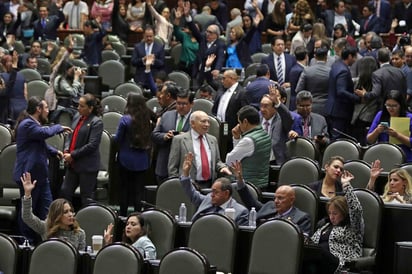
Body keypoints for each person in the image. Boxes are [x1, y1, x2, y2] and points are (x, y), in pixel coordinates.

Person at [13, 96, 72, 243]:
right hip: (29, 176)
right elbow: (44, 134)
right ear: (38, 109)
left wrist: (54, 152)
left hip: (40, 175)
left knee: (48, 210)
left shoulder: (33, 124)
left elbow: (40, 144)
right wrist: (59, 127)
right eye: (46, 108)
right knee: (28, 211)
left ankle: (49, 239)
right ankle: (26, 243)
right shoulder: (27, 124)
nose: (48, 111)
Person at [232, 161, 311, 235]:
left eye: (280, 198)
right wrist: (240, 180)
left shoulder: (301, 218)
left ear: (291, 200)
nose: (276, 201)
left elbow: (302, 240)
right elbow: (250, 202)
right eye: (275, 198)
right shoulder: (270, 206)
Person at [310, 171, 364, 273]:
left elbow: (356, 209)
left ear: (344, 212)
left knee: (318, 251)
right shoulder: (325, 226)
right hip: (319, 261)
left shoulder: (353, 226)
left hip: (340, 262)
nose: (331, 217)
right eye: (329, 213)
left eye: (335, 213)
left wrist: (346, 185)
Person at [20, 172, 86, 250]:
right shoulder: (45, 227)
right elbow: (27, 216)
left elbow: (81, 257)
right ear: (56, 215)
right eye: (66, 212)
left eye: (71, 211)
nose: (70, 214)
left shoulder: (79, 233)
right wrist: (27, 194)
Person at [114, 93, 156, 216]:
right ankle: (138, 216)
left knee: (124, 189)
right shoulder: (147, 119)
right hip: (142, 159)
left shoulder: (125, 119)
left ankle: (122, 215)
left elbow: (117, 139)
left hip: (125, 159)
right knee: (139, 190)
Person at [180, 152, 249, 225]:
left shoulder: (240, 212)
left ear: (226, 193)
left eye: (216, 192)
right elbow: (191, 193)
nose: (212, 195)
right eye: (212, 191)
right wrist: (186, 173)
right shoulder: (208, 199)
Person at [60, 93, 104, 206]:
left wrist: (72, 155)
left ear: (90, 108)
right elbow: (70, 135)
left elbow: (92, 145)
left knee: (86, 198)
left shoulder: (96, 122)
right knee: (65, 192)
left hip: (87, 166)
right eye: (78, 105)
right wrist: (66, 151)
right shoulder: (77, 117)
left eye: (82, 106)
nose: (78, 108)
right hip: (73, 164)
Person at [168, 110, 231, 188]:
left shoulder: (213, 140)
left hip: (210, 185)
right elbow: (172, 167)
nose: (207, 124)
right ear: (192, 123)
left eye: (208, 122)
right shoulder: (179, 140)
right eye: (203, 121)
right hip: (188, 186)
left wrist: (222, 167)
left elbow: (217, 161)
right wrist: (178, 185)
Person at [226, 105, 271, 189]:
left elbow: (230, 161)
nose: (238, 126)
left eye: (239, 122)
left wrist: (236, 140)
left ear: (245, 122)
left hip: (247, 185)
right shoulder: (265, 135)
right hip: (262, 184)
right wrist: (237, 138)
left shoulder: (248, 140)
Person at [151, 86, 190, 183]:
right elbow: (154, 135)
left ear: (191, 104)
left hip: (185, 167)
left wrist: (185, 136)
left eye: (184, 104)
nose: (181, 106)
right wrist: (165, 136)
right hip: (164, 164)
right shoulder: (167, 115)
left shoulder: (196, 119)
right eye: (178, 103)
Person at [367, 89, 412, 162]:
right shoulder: (380, 115)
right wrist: (377, 131)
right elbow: (369, 140)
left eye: (394, 106)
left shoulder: (409, 117)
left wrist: (397, 135)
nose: (391, 109)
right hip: (383, 154)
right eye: (388, 105)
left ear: (401, 105)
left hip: (404, 155)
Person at [326, 46, 359, 140]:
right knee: (337, 139)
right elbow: (341, 91)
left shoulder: (336, 65)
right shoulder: (344, 70)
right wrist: (357, 98)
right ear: (349, 56)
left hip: (332, 109)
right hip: (339, 111)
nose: (355, 59)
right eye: (355, 56)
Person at [1, 53, 27, 123]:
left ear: (1, 64)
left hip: (9, 108)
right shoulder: (22, 76)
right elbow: (25, 93)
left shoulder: (1, 76)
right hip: (23, 106)